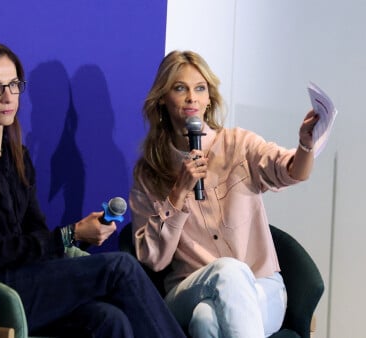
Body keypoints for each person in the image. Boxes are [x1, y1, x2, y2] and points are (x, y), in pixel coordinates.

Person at [0, 38, 186, 338]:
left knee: (109, 319)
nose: (8, 97)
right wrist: (71, 234)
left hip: (22, 280)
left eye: (13, 85)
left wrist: (82, 235)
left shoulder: (16, 157)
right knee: (119, 267)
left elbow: (35, 234)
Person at [129, 50, 320, 338]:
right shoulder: (149, 172)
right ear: (163, 100)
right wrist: (179, 191)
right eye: (180, 88)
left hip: (260, 287)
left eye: (200, 88)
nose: (192, 97)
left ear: (209, 100)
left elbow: (291, 170)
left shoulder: (238, 145)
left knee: (206, 320)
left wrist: (306, 146)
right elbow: (152, 258)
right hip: (188, 288)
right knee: (227, 273)